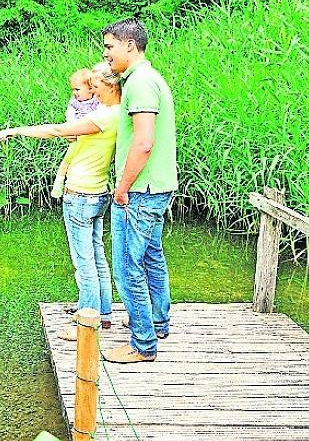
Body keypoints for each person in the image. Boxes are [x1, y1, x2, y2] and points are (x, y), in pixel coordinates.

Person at [0, 69, 122, 339]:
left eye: (97, 86)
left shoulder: (102, 117)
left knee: (83, 262)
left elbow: (57, 130)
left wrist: (15, 131)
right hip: (100, 194)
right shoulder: (120, 114)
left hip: (81, 195)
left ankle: (86, 323)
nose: (94, 92)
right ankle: (104, 314)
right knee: (97, 255)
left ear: (110, 87)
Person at [99, 18, 178, 364]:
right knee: (151, 256)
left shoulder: (140, 83)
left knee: (127, 266)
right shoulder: (147, 77)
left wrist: (122, 187)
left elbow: (144, 142)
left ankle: (143, 344)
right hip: (158, 186)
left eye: (109, 46)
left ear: (129, 45)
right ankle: (158, 322)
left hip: (141, 190)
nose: (106, 54)